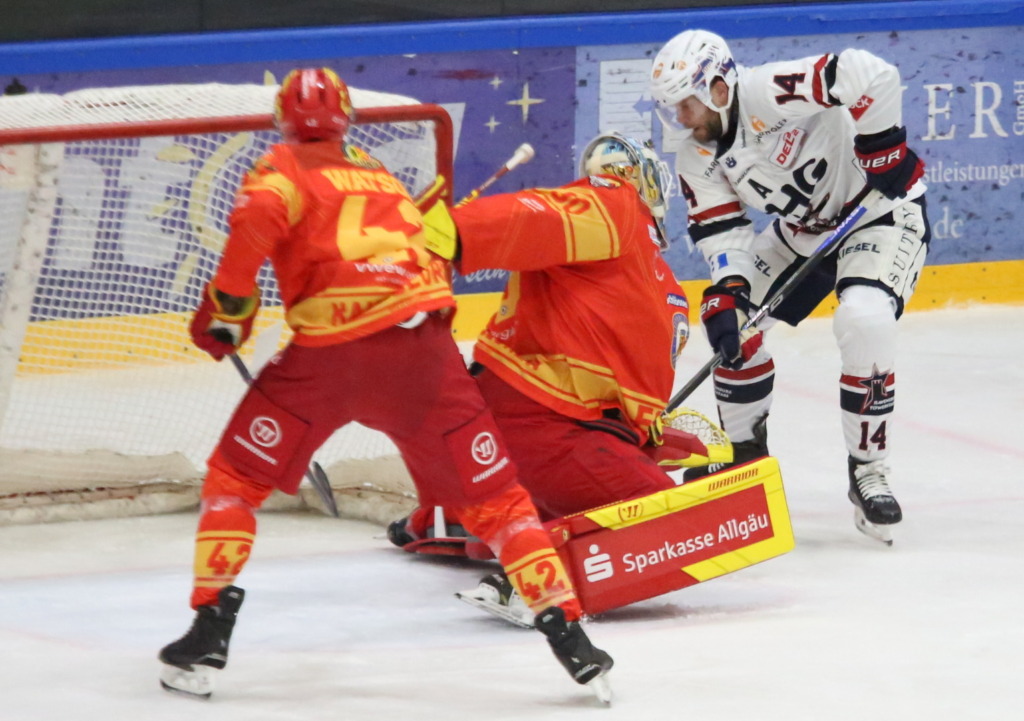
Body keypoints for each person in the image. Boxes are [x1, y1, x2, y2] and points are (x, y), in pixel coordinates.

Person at [158, 67, 612, 701]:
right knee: (500, 503)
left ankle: (209, 627)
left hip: (330, 358)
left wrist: (227, 314)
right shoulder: (379, 175)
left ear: (282, 120)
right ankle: (569, 635)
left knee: (236, 481)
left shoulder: (280, 169)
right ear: (346, 119)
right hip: (424, 355)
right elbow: (424, 259)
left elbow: (255, 228)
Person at [389, 133, 725, 617]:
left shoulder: (649, 270)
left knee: (615, 481)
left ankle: (461, 518)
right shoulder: (615, 206)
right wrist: (455, 233)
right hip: (539, 423)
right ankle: (531, 581)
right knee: (668, 518)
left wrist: (646, 435)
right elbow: (531, 216)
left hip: (526, 429)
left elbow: (616, 374)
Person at [648, 30, 930, 544]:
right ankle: (745, 466)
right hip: (801, 233)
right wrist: (730, 287)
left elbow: (872, 74)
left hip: (879, 213)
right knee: (732, 326)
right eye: (672, 109)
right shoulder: (695, 155)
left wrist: (882, 147)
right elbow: (723, 232)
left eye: (685, 105)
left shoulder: (768, 91)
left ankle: (868, 469)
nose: (681, 120)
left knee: (864, 320)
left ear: (717, 88)